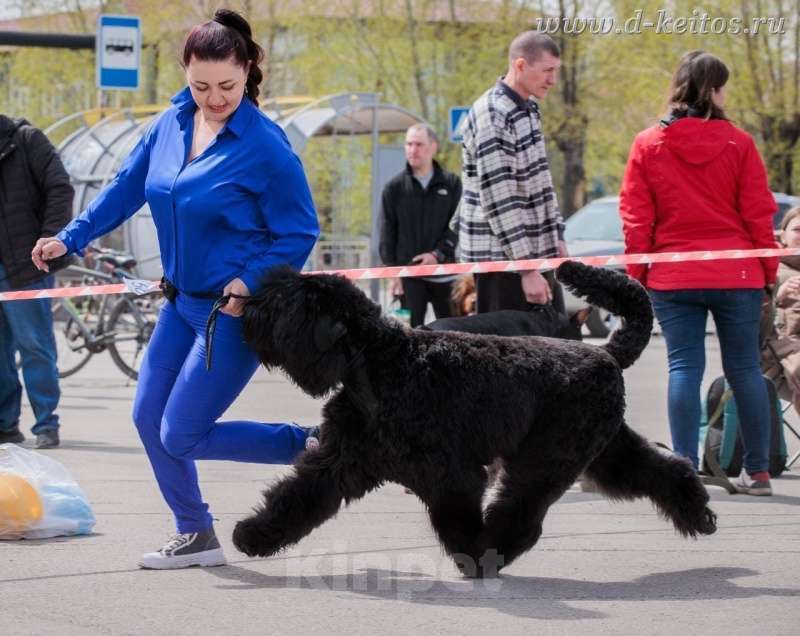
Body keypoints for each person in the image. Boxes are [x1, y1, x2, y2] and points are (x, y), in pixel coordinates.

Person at [32, 9, 320, 567]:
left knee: (181, 434)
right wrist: (68, 237)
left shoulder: (266, 146)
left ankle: (308, 442)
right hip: (179, 303)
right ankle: (195, 533)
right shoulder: (170, 125)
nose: (214, 98)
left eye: (227, 86)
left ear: (247, 72)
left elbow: (298, 231)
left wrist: (250, 280)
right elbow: (125, 189)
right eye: (200, 86)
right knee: (148, 418)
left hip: (232, 314)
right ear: (186, 74)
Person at [620, 50, 777, 496]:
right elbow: (758, 213)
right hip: (737, 272)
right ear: (715, 91)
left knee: (684, 366)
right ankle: (758, 473)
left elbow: (636, 217)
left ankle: (684, 470)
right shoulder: (740, 143)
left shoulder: (648, 143)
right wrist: (768, 271)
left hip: (674, 275)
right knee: (745, 369)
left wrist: (639, 275)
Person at [456, 30, 567, 314]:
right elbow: (499, 200)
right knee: (508, 344)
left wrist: (557, 236)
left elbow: (542, 182)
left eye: (555, 71)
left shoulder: (528, 108)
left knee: (553, 337)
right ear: (520, 65)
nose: (553, 80)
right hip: (502, 262)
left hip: (532, 255)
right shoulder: (493, 114)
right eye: (547, 71)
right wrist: (526, 269)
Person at [0, 115, 73, 449]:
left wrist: (49, 239)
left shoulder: (27, 139)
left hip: (26, 267)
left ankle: (46, 423)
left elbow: (60, 188)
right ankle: (6, 425)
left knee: (34, 345)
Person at [379, 123, 461, 327]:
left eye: (419, 144)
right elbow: (387, 233)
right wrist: (393, 273)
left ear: (433, 147)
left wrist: (437, 255)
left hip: (445, 274)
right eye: (408, 144)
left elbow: (457, 226)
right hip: (409, 276)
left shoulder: (452, 184)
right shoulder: (394, 188)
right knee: (411, 334)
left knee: (451, 331)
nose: (412, 150)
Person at [762, 207, 800, 413]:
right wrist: (778, 296)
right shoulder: (769, 267)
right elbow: (751, 317)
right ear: (783, 235)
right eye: (798, 230)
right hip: (780, 349)